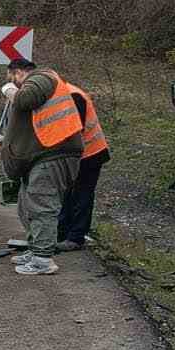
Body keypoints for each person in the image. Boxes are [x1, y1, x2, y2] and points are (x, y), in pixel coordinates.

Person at [0, 57, 85, 276]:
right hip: (42, 154)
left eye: (12, 78)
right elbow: (34, 121)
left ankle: (42, 259)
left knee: (41, 205)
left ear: (18, 72)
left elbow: (25, 100)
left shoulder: (43, 77)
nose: (12, 83)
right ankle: (35, 248)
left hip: (54, 153)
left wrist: (9, 90)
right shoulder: (40, 84)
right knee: (28, 205)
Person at [56, 79, 110, 249]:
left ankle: (76, 237)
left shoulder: (73, 96)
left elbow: (73, 131)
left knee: (82, 195)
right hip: (80, 153)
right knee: (69, 194)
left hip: (90, 154)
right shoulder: (64, 93)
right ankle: (63, 233)